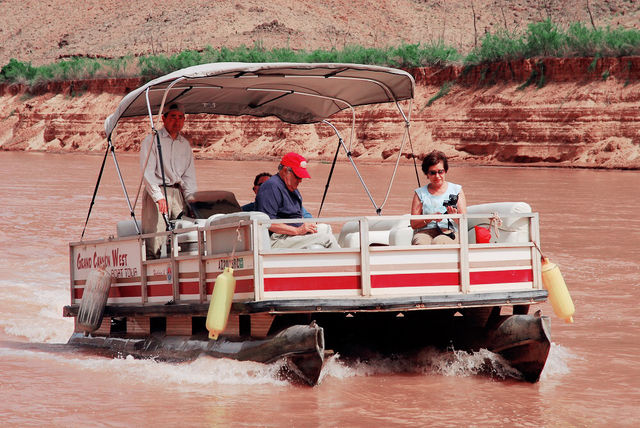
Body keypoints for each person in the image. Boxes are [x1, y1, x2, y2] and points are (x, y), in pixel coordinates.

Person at [140, 103, 197, 258]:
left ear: (184, 120)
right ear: (164, 119)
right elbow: (147, 172)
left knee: (184, 230)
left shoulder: (184, 145)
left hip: (177, 193)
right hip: (158, 191)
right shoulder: (152, 140)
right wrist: (158, 197)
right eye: (172, 117)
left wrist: (191, 200)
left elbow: (188, 176)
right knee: (155, 236)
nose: (176, 121)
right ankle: (152, 266)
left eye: (180, 117)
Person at [255, 152, 338, 249]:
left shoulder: (291, 188)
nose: (300, 180)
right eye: (298, 176)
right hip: (277, 239)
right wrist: (297, 230)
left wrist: (305, 226)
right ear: (286, 171)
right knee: (327, 238)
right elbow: (266, 223)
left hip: (292, 235)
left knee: (325, 228)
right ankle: (345, 262)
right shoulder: (271, 187)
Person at [410, 150, 467, 245]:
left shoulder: (457, 190)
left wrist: (453, 216)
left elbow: (464, 222)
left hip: (449, 231)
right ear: (427, 174)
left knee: (440, 242)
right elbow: (414, 224)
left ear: (445, 171)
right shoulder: (419, 193)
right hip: (425, 232)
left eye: (440, 172)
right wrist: (430, 218)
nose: (437, 176)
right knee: (420, 242)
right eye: (432, 173)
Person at [242, 172, 312, 218]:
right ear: (254, 189)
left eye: (270, 185)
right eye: (262, 185)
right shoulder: (247, 209)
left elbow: (308, 218)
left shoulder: (291, 205)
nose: (266, 188)